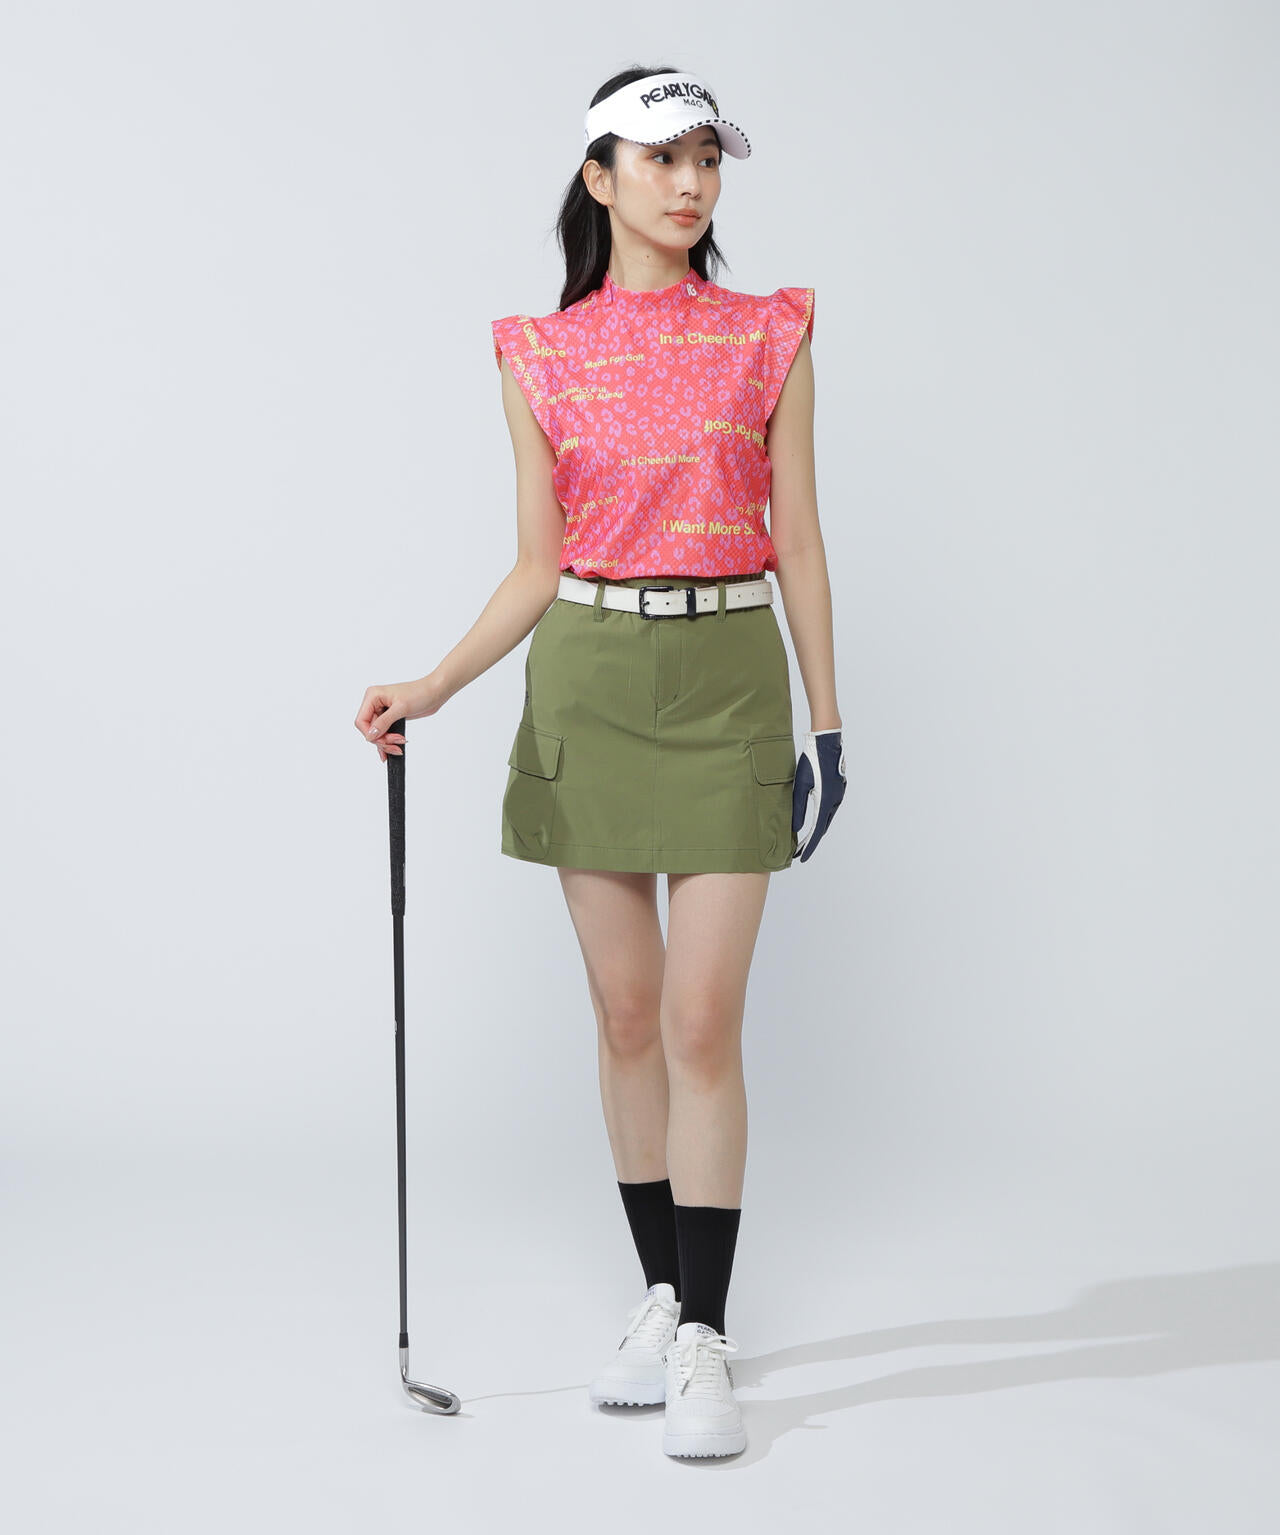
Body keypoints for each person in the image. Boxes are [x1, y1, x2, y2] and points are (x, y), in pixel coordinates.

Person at [354, 65, 846, 1460]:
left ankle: (707, 1338)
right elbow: (537, 562)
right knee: (628, 1017)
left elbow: (800, 540)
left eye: (708, 160)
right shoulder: (538, 353)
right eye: (661, 157)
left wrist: (827, 722)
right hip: (589, 676)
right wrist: (432, 684)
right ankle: (661, 1295)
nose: (691, 184)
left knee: (701, 1021)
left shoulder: (770, 332)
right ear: (599, 177)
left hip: (730, 678)